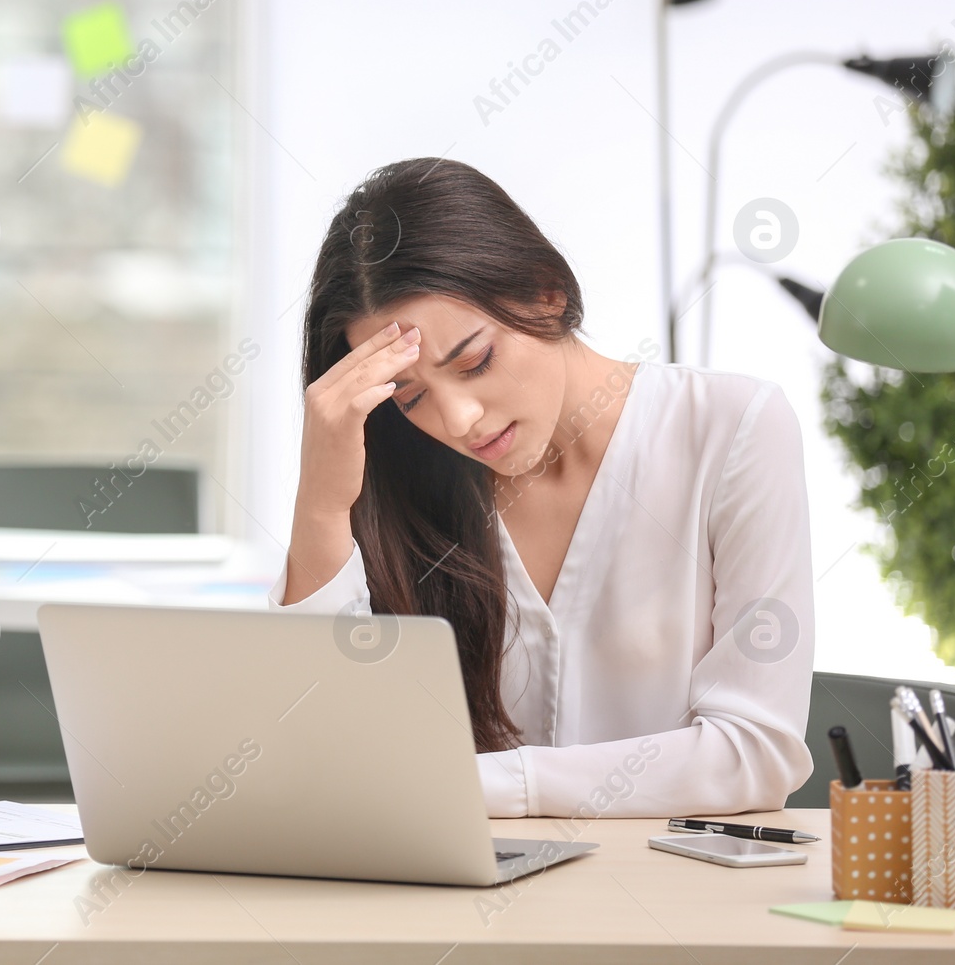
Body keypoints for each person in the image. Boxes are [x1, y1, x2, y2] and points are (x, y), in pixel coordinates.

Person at [272, 157, 814, 818]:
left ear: (545, 292)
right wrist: (321, 503)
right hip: (453, 910)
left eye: (475, 361)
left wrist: (489, 784)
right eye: (410, 398)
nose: (458, 419)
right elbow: (320, 761)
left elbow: (754, 752)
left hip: (671, 906)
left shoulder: (732, 428)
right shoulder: (409, 487)